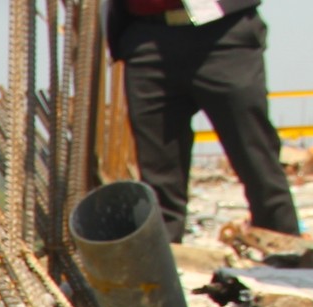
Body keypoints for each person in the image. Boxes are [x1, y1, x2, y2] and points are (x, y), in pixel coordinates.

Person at [108, 0, 301, 242]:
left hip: (223, 34)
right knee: (158, 173)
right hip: (146, 36)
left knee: (255, 159)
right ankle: (161, 265)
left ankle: (284, 254)